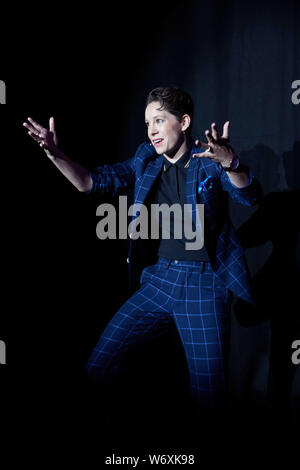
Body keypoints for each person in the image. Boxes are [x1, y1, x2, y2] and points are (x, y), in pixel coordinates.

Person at [23, 86, 263, 418]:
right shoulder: (145, 160)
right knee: (99, 368)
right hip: (159, 280)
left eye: (160, 120)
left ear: (184, 122)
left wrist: (231, 162)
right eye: (148, 122)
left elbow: (250, 196)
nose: (151, 130)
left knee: (209, 398)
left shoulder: (208, 162)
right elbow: (91, 183)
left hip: (204, 286)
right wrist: (55, 154)